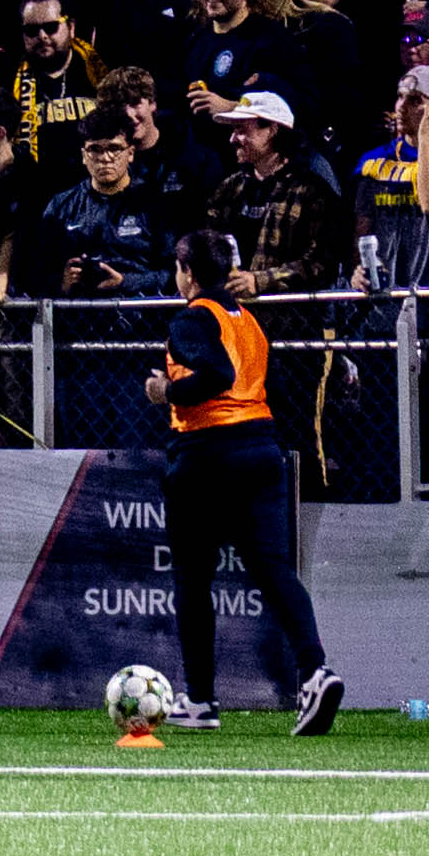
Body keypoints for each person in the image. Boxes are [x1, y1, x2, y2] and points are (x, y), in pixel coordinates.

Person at [149, 224, 342, 732]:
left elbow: (216, 376)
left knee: (193, 580)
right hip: (261, 449)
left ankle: (200, 700)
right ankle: (315, 670)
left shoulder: (191, 318)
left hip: (206, 453)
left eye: (179, 266)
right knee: (275, 572)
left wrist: (164, 392)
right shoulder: (250, 322)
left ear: (188, 273)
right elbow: (271, 387)